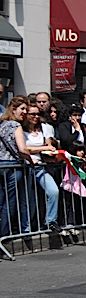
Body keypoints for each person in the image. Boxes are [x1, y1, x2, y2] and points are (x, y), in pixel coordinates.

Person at [18, 102, 61, 233]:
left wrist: (51, 148)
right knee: (28, 199)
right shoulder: (21, 130)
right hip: (27, 166)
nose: (35, 116)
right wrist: (43, 147)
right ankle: (26, 228)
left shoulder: (42, 129)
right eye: (32, 114)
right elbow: (24, 148)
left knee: (54, 191)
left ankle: (50, 221)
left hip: (41, 166)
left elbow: (49, 145)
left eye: (38, 114)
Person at [0, 97, 29, 236]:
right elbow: (22, 149)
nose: (24, 112)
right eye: (22, 109)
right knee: (10, 201)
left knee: (1, 200)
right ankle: (4, 233)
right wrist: (30, 159)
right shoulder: (15, 126)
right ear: (13, 109)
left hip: (1, 165)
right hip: (12, 166)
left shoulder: (1, 124)